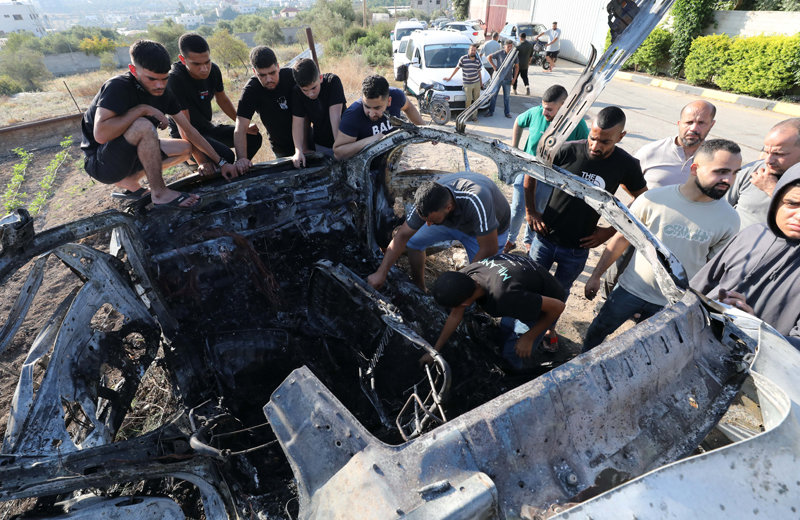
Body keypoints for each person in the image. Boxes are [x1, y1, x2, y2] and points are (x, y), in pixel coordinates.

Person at [583, 139, 742, 351]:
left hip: (672, 304)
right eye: (720, 172)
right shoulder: (653, 200)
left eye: (734, 173)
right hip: (631, 289)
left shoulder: (730, 219)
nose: (728, 180)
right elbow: (622, 238)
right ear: (695, 169)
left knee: (644, 350)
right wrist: (596, 275)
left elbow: (712, 269)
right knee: (598, 331)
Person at [524, 106, 647, 350]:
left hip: (577, 248)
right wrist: (531, 211)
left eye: (604, 141)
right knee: (531, 284)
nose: (595, 146)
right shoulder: (568, 150)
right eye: (593, 137)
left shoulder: (626, 164)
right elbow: (531, 173)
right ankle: (525, 325)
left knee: (561, 291)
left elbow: (641, 199)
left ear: (621, 137)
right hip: (545, 238)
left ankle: (549, 326)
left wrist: (609, 230)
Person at [80, 40, 236, 208]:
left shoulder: (164, 92)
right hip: (101, 162)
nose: (159, 85)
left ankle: (129, 181)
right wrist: (142, 109)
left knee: (185, 148)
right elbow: (101, 135)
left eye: (164, 79)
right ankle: (160, 193)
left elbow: (189, 130)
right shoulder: (117, 86)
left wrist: (221, 162)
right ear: (133, 70)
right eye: (152, 79)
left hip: (130, 155)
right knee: (143, 125)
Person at [691, 162, 800, 349]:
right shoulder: (753, 234)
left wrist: (754, 328)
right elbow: (699, 285)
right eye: (792, 203)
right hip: (693, 339)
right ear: (776, 201)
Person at [367, 173, 511, 292]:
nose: (427, 225)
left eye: (431, 220)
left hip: (488, 232)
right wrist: (381, 272)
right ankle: (419, 286)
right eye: (425, 220)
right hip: (449, 222)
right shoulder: (426, 202)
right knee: (414, 241)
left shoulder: (476, 199)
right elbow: (402, 236)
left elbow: (489, 248)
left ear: (448, 207)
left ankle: (472, 310)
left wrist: (461, 280)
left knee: (482, 279)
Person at [426, 254, 566, 370]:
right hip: (526, 285)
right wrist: (435, 350)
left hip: (548, 300)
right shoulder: (465, 276)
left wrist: (529, 337)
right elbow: (455, 315)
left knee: (513, 352)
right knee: (506, 328)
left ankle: (516, 372)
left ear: (465, 304)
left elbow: (558, 307)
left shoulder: (505, 297)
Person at [506, 84, 590, 253]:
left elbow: (586, 148)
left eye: (550, 110)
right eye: (544, 108)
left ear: (564, 105)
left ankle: (529, 240)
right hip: (527, 171)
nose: (545, 113)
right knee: (517, 208)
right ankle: (510, 240)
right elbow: (518, 122)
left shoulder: (577, 124)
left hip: (550, 178)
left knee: (538, 211)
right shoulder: (536, 113)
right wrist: (514, 149)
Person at [167, 33, 262, 168]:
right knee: (226, 157)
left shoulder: (214, 70)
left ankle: (239, 169)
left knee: (253, 137)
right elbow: (185, 129)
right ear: (183, 59)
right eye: (197, 64)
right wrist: (202, 161)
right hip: (185, 138)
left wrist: (241, 125)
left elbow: (222, 100)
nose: (204, 69)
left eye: (207, 62)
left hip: (207, 129)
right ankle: (209, 170)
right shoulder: (175, 79)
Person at [726, 118, 800, 231]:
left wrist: (772, 189)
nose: (768, 160)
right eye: (766, 151)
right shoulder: (753, 171)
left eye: (778, 154)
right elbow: (717, 208)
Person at [234, 46, 296, 173]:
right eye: (262, 75)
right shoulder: (250, 91)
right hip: (281, 148)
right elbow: (240, 128)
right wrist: (241, 159)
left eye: (272, 73)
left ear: (278, 66)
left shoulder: (292, 77)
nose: (269, 79)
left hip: (308, 141)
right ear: (254, 71)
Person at [333, 74, 423, 160]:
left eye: (377, 108)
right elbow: (338, 153)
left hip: (391, 163)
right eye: (367, 106)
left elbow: (409, 107)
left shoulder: (397, 96)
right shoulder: (352, 115)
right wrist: (370, 141)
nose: (371, 114)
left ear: (389, 101)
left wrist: (424, 130)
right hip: (366, 169)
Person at [636, 101, 717, 189]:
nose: (693, 128)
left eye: (701, 123)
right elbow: (626, 180)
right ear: (679, 123)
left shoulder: (717, 160)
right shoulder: (651, 151)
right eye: (689, 122)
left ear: (711, 125)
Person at [289, 58, 346, 167]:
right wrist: (299, 150)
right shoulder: (297, 92)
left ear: (320, 78)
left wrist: (339, 148)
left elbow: (335, 116)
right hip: (321, 144)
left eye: (313, 88)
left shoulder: (332, 82)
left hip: (342, 140)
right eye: (305, 90)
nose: (310, 94)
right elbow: (297, 123)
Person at [444, 43, 483, 122]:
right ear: (468, 50)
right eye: (472, 50)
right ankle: (467, 115)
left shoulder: (477, 60)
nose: (473, 51)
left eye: (474, 50)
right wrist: (450, 77)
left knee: (476, 100)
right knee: (468, 100)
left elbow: (479, 72)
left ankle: (474, 116)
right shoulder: (463, 59)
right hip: (467, 83)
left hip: (476, 83)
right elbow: (457, 68)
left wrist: (481, 83)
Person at [488, 40, 518, 118]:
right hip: (498, 78)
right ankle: (491, 111)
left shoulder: (514, 55)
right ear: (504, 46)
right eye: (508, 46)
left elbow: (517, 67)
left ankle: (507, 113)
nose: (509, 48)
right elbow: (489, 57)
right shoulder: (500, 53)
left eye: (511, 46)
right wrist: (494, 67)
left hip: (508, 79)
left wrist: (514, 78)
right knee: (494, 95)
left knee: (507, 97)